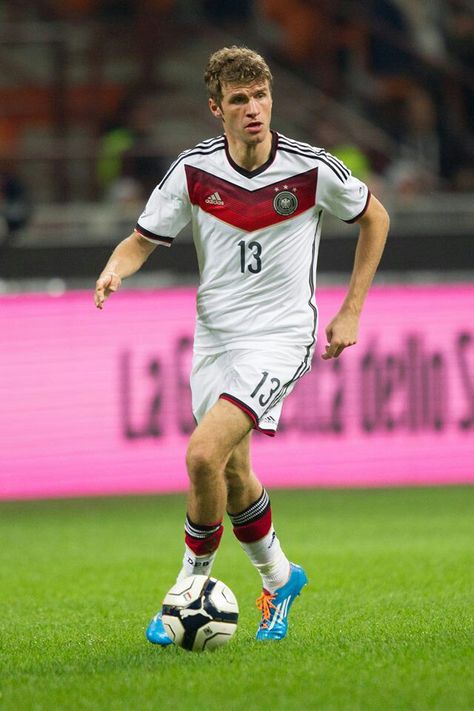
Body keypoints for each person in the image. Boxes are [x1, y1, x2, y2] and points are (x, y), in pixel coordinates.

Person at [94, 46, 389, 643]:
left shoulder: (310, 170)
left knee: (203, 455)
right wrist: (114, 268)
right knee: (230, 472)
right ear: (215, 109)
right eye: (238, 100)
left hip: (280, 338)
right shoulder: (193, 172)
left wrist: (351, 309)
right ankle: (280, 579)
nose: (253, 109)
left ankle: (186, 588)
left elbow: (376, 217)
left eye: (260, 96)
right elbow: (141, 239)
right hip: (215, 339)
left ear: (271, 98)